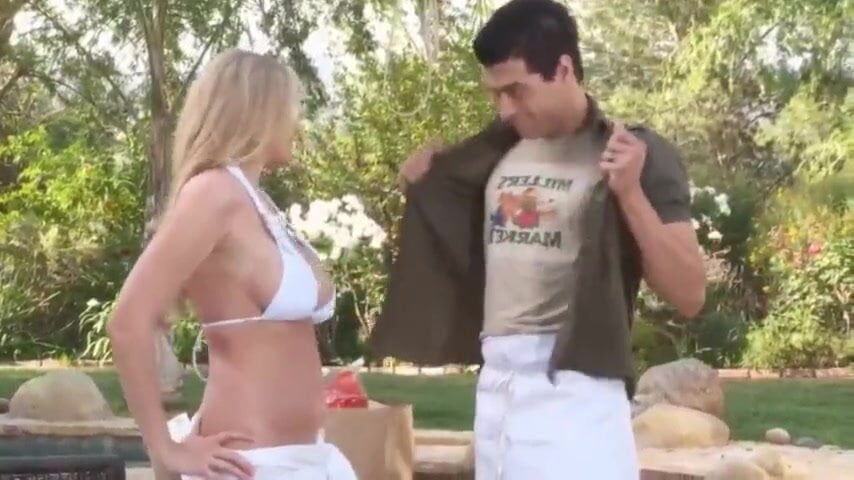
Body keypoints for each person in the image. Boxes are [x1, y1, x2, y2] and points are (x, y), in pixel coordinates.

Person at [370, 1, 706, 479]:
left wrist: (630, 193)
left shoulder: (632, 151)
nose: (505, 108)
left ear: (563, 69)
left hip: (576, 387)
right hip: (496, 387)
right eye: (495, 94)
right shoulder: (495, 148)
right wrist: (423, 185)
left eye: (516, 91)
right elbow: (456, 234)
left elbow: (690, 293)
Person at [108, 49, 357, 480]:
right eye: (291, 109)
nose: (298, 123)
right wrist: (164, 449)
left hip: (308, 458)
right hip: (249, 464)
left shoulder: (258, 202)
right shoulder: (213, 193)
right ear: (259, 112)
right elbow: (128, 320)